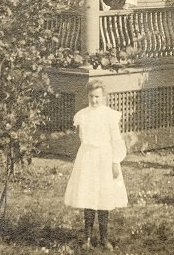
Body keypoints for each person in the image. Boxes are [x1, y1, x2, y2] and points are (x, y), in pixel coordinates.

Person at [64, 79, 128, 249]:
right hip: (88, 159)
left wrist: (115, 161)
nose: (94, 100)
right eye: (92, 96)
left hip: (105, 158)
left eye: (98, 97)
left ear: (104, 96)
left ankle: (103, 238)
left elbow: (116, 140)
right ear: (88, 96)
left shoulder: (110, 115)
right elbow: (82, 139)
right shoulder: (82, 115)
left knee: (103, 197)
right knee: (88, 197)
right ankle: (87, 238)